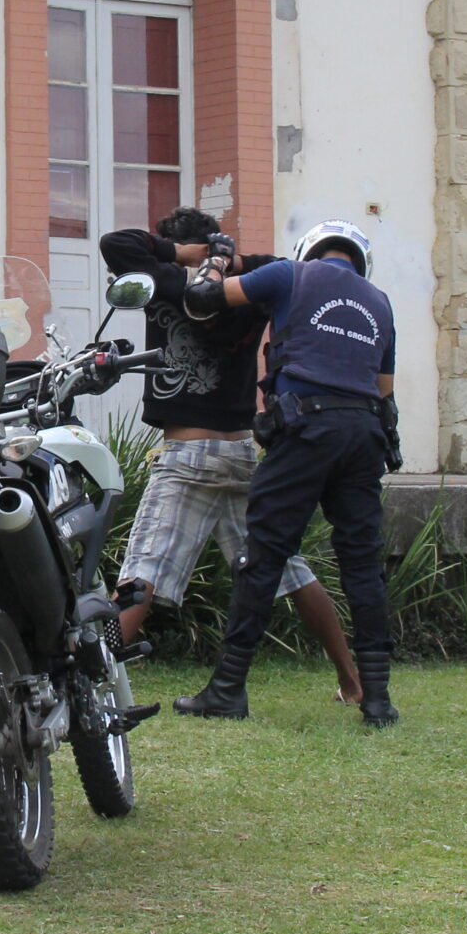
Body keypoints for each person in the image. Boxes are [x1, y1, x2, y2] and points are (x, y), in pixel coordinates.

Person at [98, 210, 364, 701]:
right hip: (241, 450)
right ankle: (353, 680)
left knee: (142, 574)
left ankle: (88, 682)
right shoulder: (251, 286)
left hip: (188, 455)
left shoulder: (166, 278)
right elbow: (289, 265)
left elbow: (117, 244)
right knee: (290, 568)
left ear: (177, 245)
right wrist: (228, 258)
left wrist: (187, 258)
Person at [173, 221, 400, 728]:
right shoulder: (380, 303)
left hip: (305, 427)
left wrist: (216, 260)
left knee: (264, 555)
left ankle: (228, 688)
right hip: (364, 433)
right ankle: (378, 700)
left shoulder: (288, 275)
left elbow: (208, 298)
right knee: (363, 564)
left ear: (311, 250)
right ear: (358, 261)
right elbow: (383, 388)